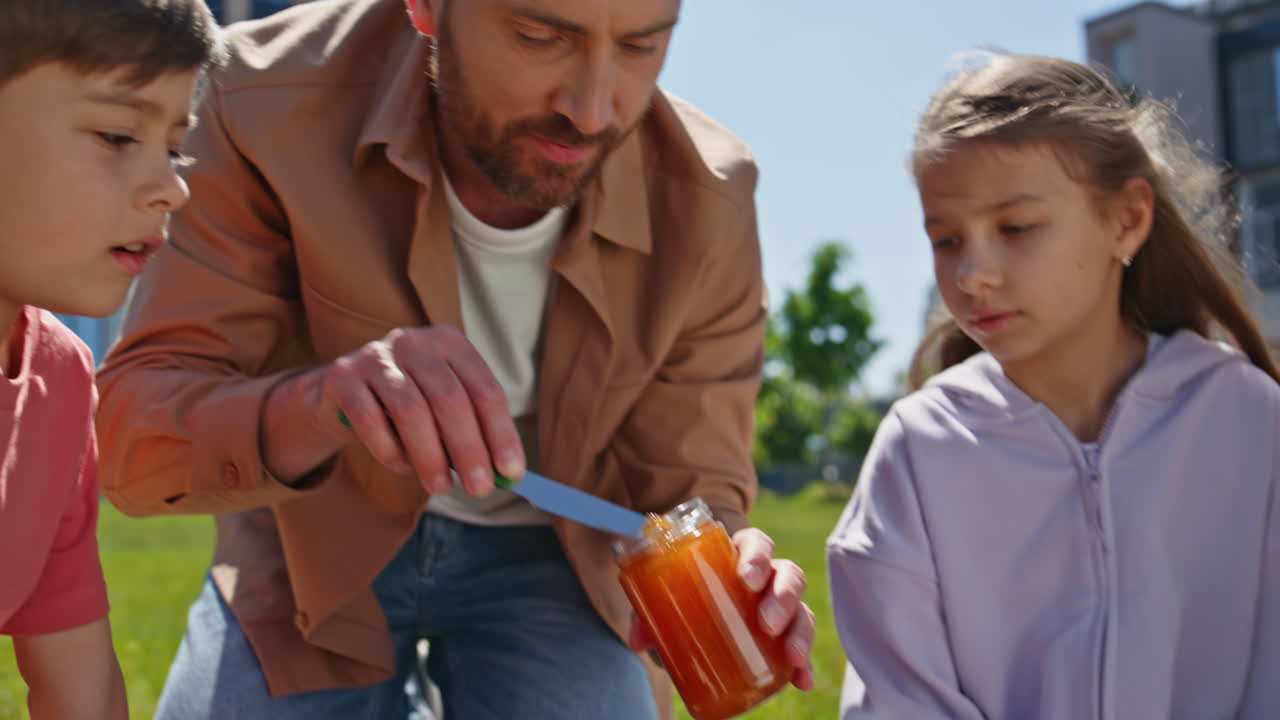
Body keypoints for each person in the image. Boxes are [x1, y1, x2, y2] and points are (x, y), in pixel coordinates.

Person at [95, 0, 816, 718]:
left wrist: (736, 560)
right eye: (539, 37)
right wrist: (320, 403)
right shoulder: (260, 97)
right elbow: (135, 444)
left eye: (640, 46)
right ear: (426, 8)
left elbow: (691, 487)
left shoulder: (709, 194)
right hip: (312, 542)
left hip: (558, 559)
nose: (594, 112)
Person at [827, 53, 1278, 719]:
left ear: (1126, 220)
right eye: (946, 239)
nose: (973, 272)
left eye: (1016, 228)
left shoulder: (1251, 423)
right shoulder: (920, 450)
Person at [0, 1, 224, 718]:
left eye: (175, 147)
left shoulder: (59, 381)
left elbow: (83, 692)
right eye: (118, 135)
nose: (172, 186)